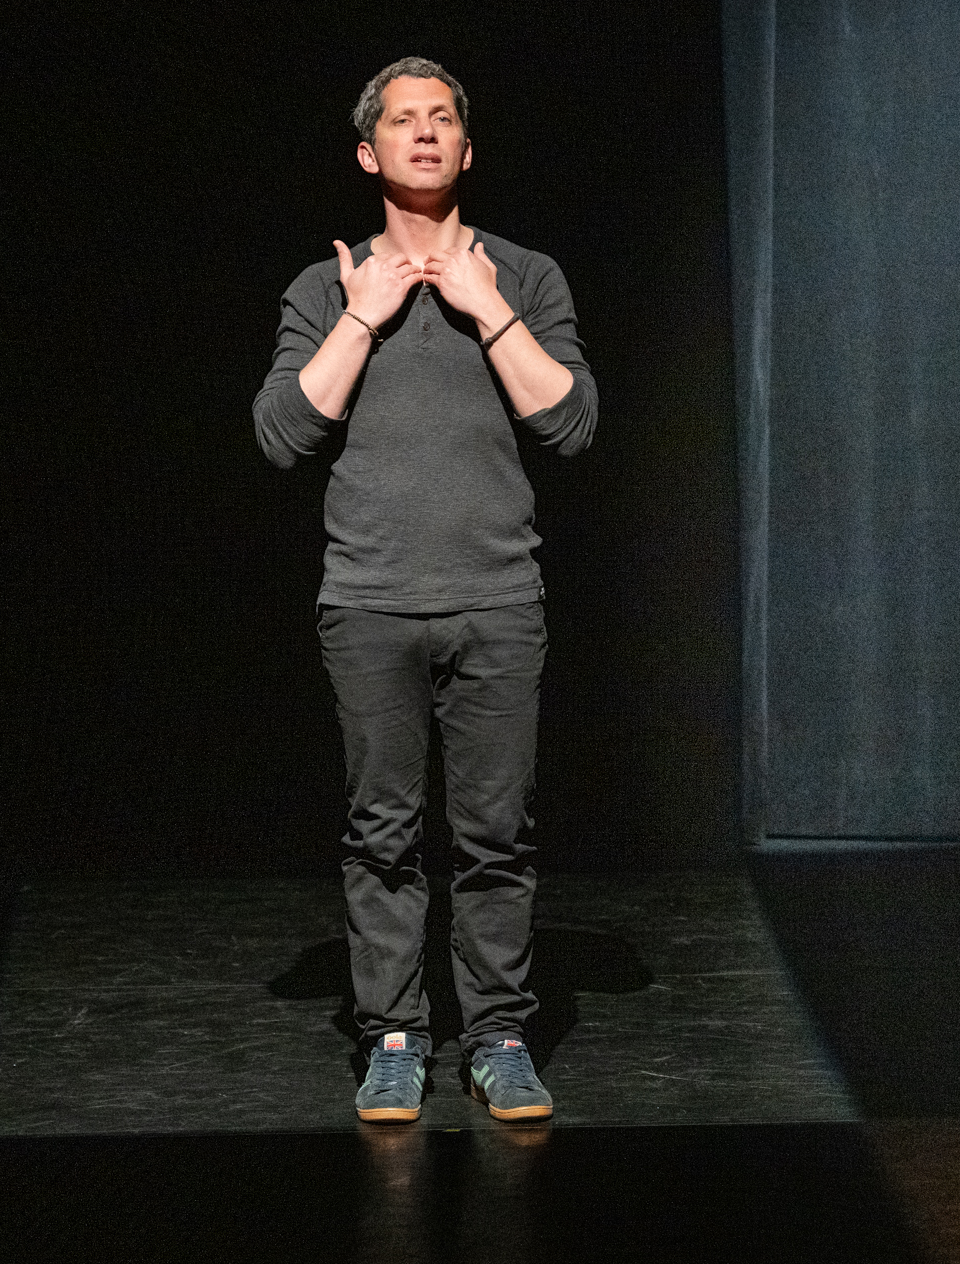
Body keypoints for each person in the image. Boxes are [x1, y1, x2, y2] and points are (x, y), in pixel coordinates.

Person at [253, 57, 596, 1124]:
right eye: (403, 119)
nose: (426, 131)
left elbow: (570, 423)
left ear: (467, 147)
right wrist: (362, 317)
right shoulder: (325, 285)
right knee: (382, 833)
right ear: (369, 153)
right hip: (370, 600)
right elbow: (281, 434)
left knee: (497, 834)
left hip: (497, 598)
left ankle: (498, 1036)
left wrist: (487, 308)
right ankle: (393, 1037)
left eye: (443, 117)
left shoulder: (523, 275)